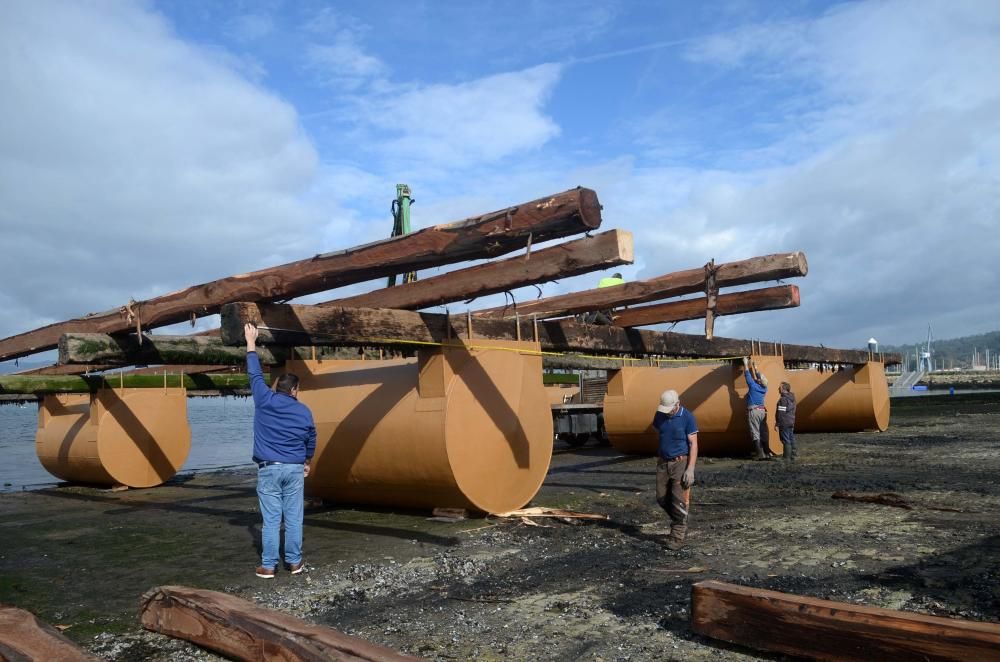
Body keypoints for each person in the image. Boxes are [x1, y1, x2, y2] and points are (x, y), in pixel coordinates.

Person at [245, 323, 317, 579]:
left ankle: (268, 566)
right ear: (295, 390)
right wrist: (307, 460)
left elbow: (254, 374)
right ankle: (295, 563)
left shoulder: (264, 400)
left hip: (269, 468)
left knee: (272, 519)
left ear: (277, 387)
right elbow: (311, 437)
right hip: (295, 468)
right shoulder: (304, 411)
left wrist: (251, 343)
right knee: (294, 517)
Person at [651, 389, 698, 551]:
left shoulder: (688, 417)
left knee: (678, 500)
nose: (667, 412)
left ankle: (677, 536)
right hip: (663, 462)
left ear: (677, 404)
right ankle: (681, 519)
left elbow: (693, 444)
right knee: (661, 498)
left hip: (680, 463)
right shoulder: (660, 415)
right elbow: (658, 431)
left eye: (669, 409)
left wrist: (690, 469)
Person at [743, 356, 772, 460]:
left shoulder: (753, 386)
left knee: (755, 432)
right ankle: (766, 452)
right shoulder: (764, 388)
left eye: (758, 379)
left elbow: (747, 375)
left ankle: (760, 454)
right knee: (762, 431)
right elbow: (760, 379)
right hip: (762, 411)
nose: (757, 378)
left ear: (759, 381)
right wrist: (756, 368)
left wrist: (745, 364)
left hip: (754, 411)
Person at [775, 381, 797, 462]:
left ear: (783, 389)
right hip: (791, 421)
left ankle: (786, 457)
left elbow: (781, 413)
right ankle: (793, 455)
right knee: (791, 438)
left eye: (779, 387)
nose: (778, 389)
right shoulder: (792, 398)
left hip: (784, 422)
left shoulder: (783, 400)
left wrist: (778, 423)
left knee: (785, 439)